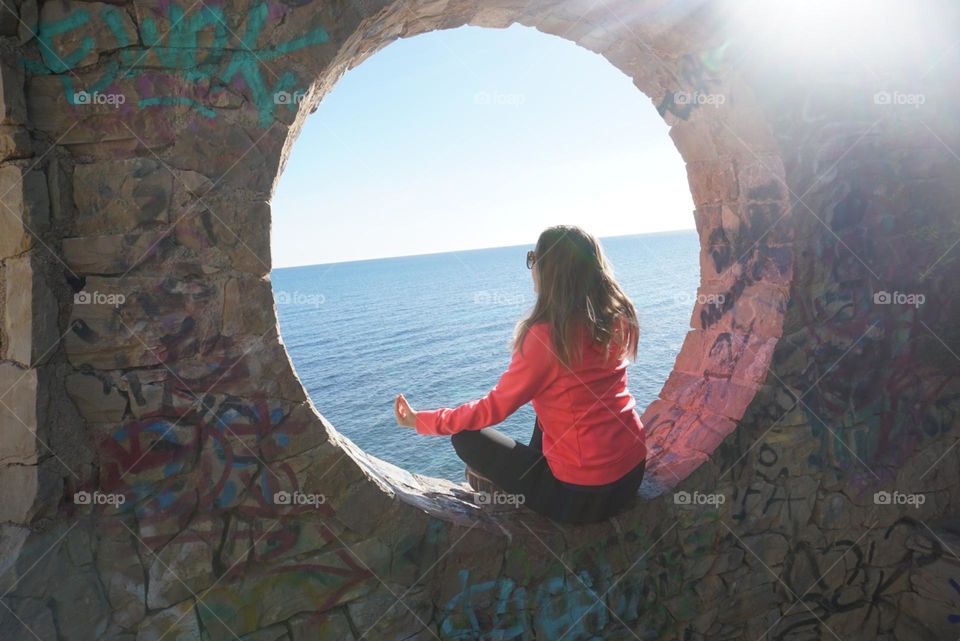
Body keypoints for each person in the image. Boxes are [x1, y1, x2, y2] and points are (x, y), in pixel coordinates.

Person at [394, 225, 646, 525]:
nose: (532, 267)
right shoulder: (615, 317)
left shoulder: (546, 337)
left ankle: (507, 492)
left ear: (549, 270)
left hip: (583, 497)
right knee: (550, 411)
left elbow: (493, 409)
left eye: (534, 258)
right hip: (631, 473)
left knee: (465, 437)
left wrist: (421, 420)